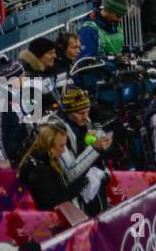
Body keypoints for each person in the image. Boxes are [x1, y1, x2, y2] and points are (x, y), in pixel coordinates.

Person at [45, 88, 111, 216]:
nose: (85, 117)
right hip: (62, 195)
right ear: (68, 111)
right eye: (81, 113)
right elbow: (70, 173)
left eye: (87, 111)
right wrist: (95, 148)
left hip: (85, 190)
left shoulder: (84, 121)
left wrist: (103, 172)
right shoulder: (55, 129)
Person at [16, 122, 93, 213]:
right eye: (61, 146)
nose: (64, 150)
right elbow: (52, 202)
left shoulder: (41, 160)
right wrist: (78, 186)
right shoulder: (40, 170)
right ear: (49, 145)